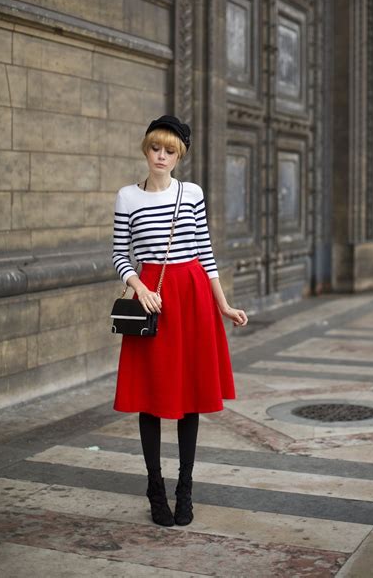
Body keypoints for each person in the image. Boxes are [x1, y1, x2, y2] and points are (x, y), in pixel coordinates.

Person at [112, 115, 248, 528]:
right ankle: (155, 489)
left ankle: (184, 488)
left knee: (189, 395)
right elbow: (120, 253)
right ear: (146, 148)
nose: (162, 156)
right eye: (156, 148)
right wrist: (139, 286)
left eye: (170, 151)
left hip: (190, 296)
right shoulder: (126, 197)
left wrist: (223, 305)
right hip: (152, 293)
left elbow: (205, 254)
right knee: (150, 397)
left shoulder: (191, 193)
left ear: (179, 155)